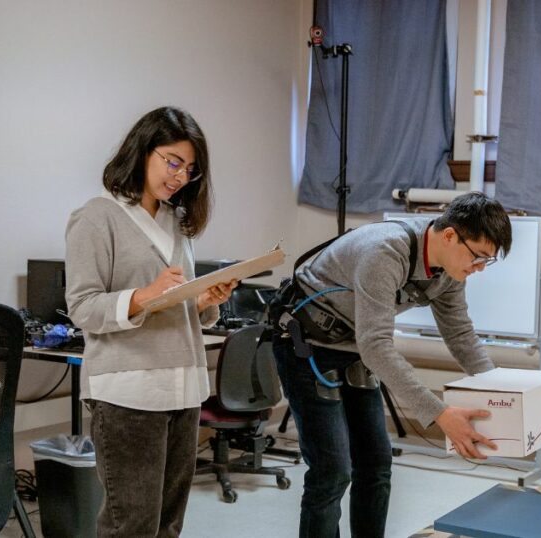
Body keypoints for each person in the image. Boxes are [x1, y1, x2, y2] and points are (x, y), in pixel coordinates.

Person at [273, 192, 512, 537]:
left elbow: (460, 335)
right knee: (333, 471)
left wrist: (502, 391)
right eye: (478, 257)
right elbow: (376, 346)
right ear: (449, 236)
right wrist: (440, 414)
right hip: (305, 344)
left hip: (354, 345)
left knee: (376, 464)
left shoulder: (448, 272)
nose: (477, 269)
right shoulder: (385, 251)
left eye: (486, 262)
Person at [65, 107, 238, 537]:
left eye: (190, 169)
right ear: (143, 151)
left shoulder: (175, 222)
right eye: (172, 161)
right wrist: (143, 296)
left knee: (168, 525)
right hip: (128, 393)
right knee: (132, 525)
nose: (180, 176)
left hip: (183, 388)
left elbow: (174, 302)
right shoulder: (96, 216)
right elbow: (83, 306)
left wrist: (203, 299)